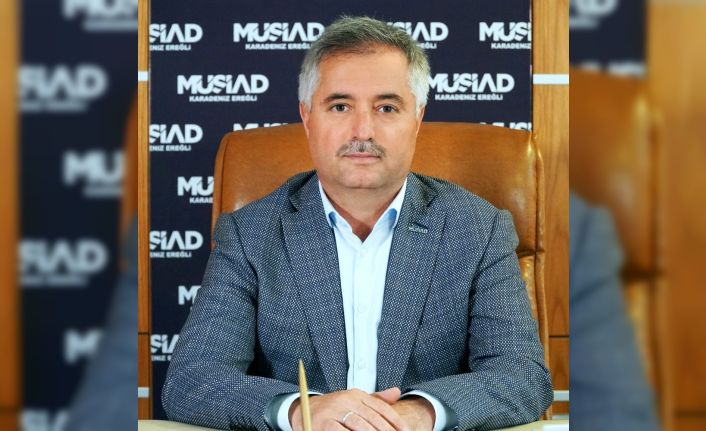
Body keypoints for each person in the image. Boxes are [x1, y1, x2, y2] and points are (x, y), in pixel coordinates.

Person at [162, 16, 552, 431]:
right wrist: (301, 412)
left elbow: (522, 376)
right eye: (340, 106)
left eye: (387, 108)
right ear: (307, 117)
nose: (362, 130)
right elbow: (192, 381)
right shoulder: (251, 234)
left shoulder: (478, 229)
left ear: (417, 118)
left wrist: (415, 414)